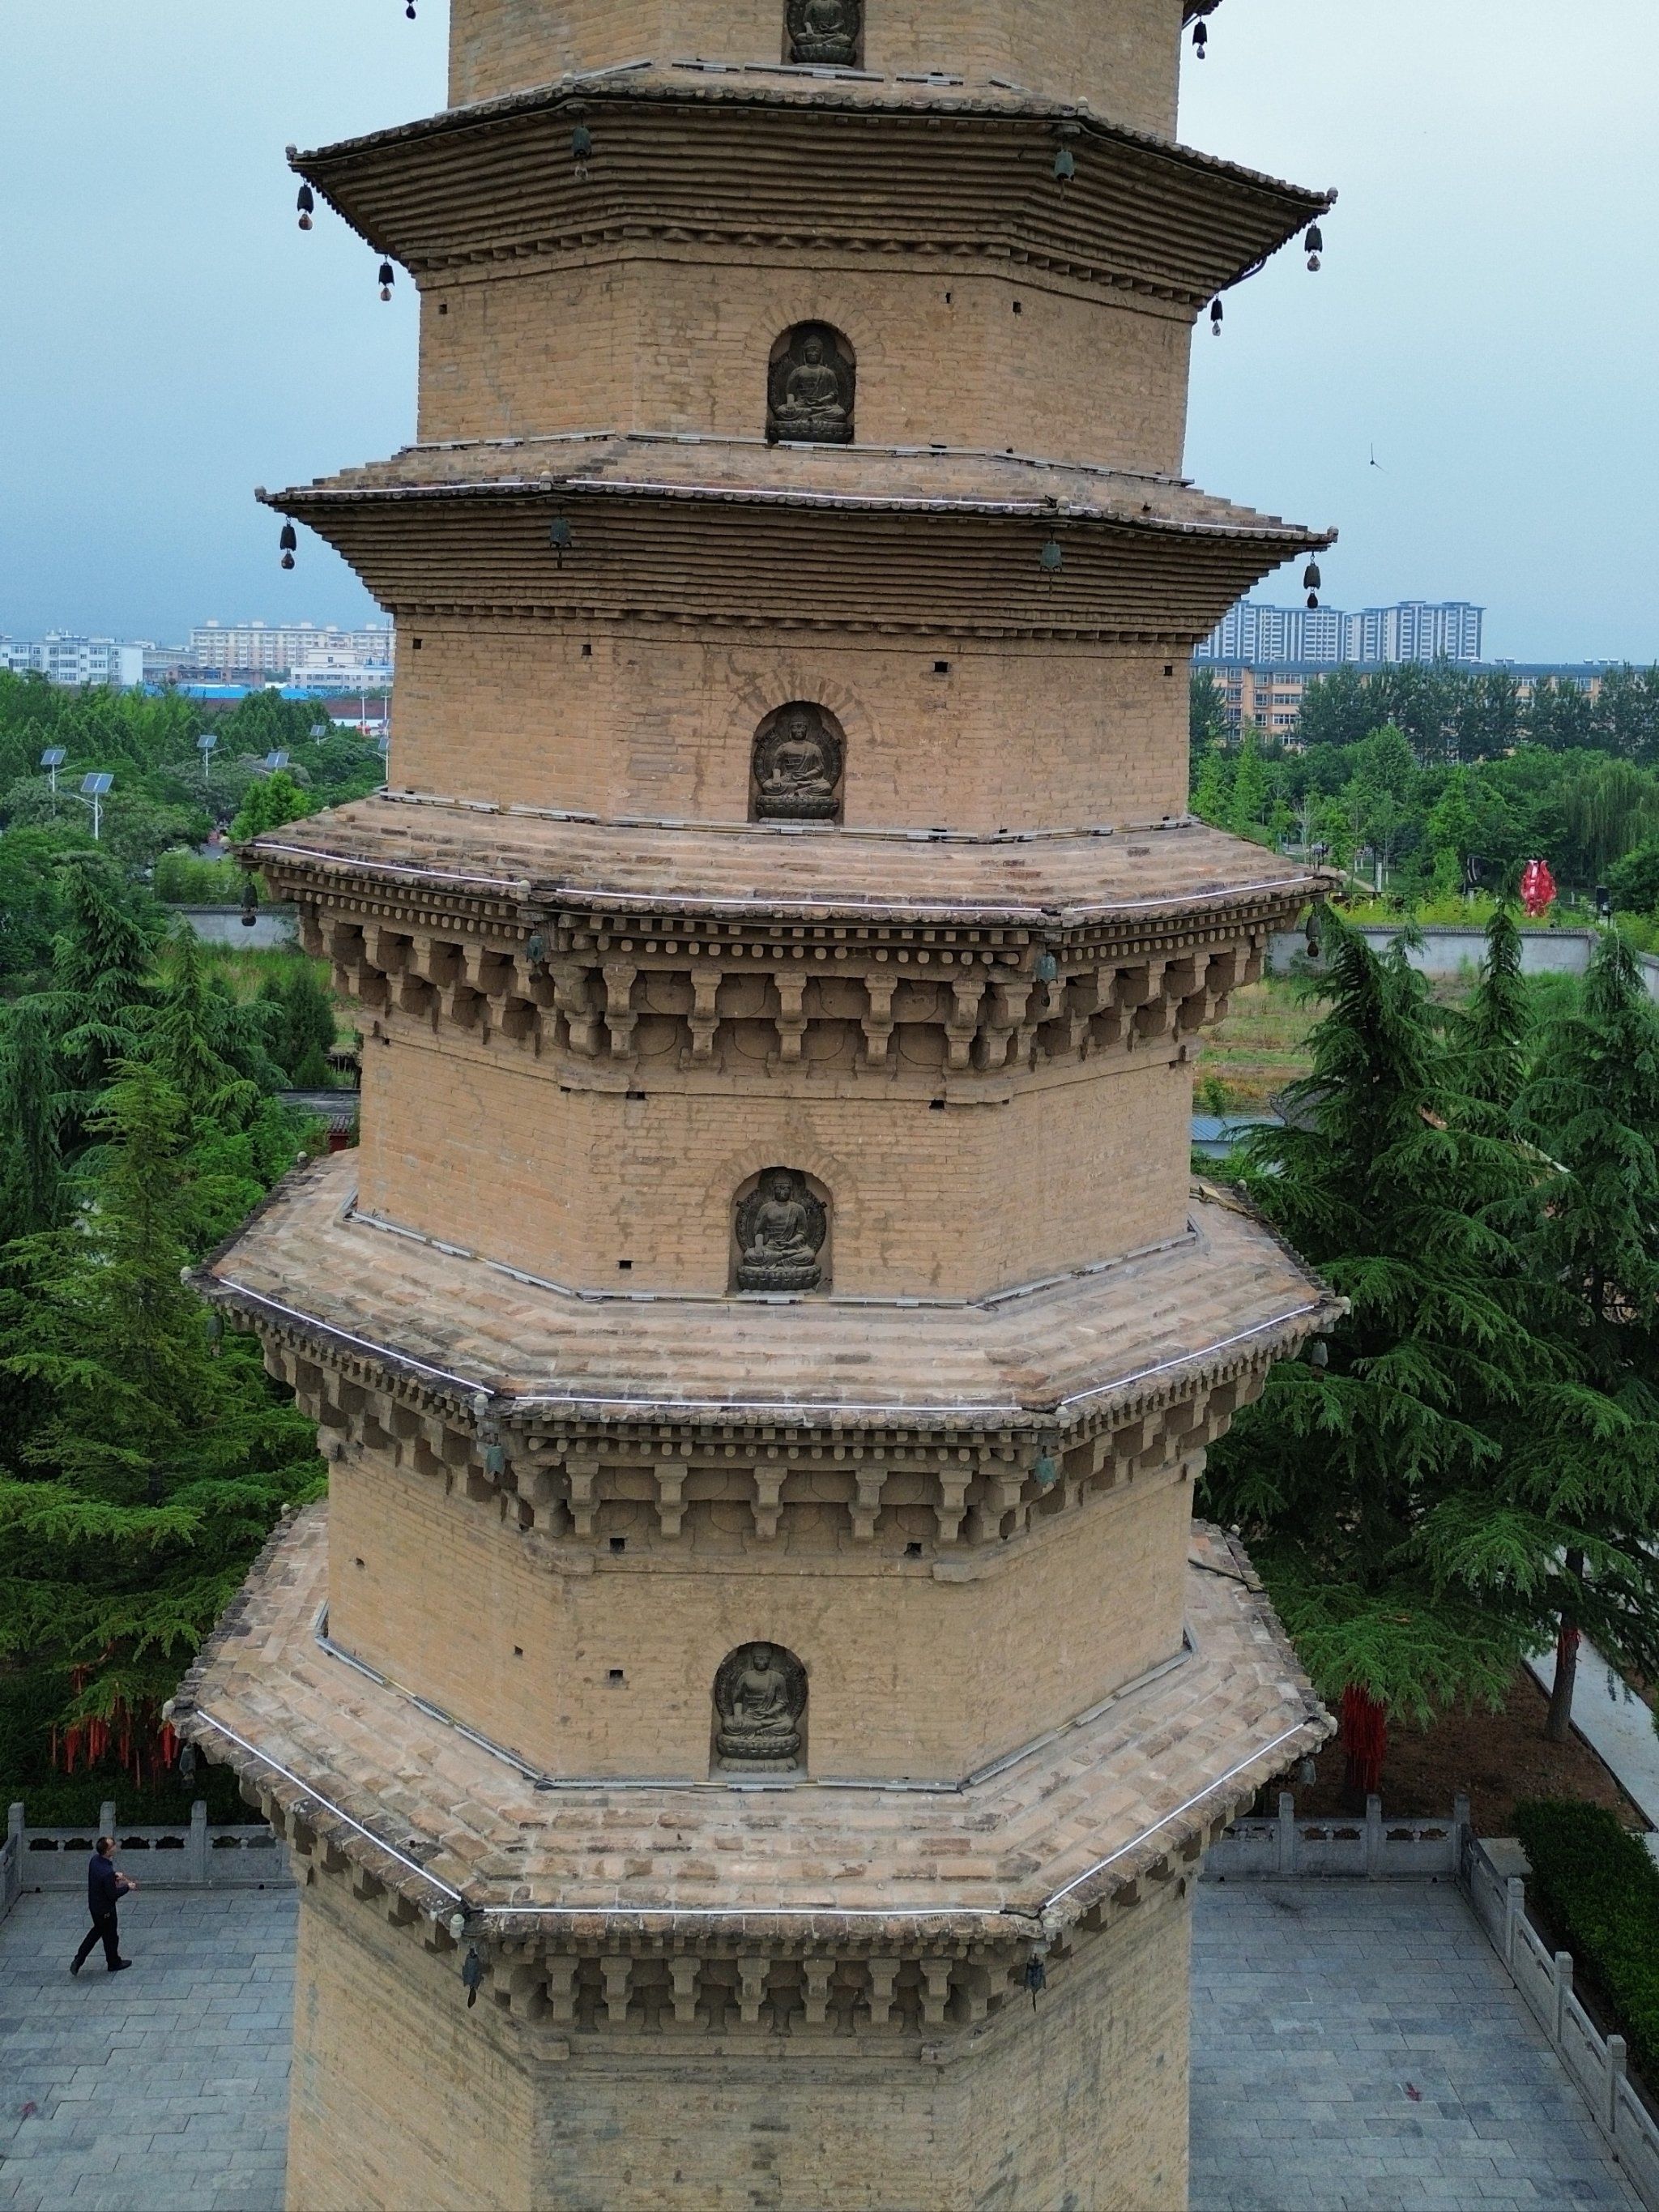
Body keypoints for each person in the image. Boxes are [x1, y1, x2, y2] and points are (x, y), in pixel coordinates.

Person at [70, 1837, 135, 1975]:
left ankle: (79, 1960)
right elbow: (112, 1894)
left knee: (96, 1933)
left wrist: (114, 1876)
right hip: (106, 1909)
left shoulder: (95, 1861)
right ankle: (113, 1962)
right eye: (112, 1846)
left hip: (95, 1906)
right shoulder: (106, 1872)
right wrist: (127, 1887)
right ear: (107, 1850)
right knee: (110, 1936)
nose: (115, 1847)